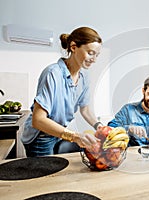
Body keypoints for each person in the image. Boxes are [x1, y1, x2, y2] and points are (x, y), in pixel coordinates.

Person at [21, 27, 103, 157]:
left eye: (97, 55)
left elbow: (85, 110)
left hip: (59, 133)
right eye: (90, 53)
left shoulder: (84, 76)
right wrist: (75, 136)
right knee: (46, 177)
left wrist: (99, 126)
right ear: (73, 47)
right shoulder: (52, 73)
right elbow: (38, 120)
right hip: (41, 136)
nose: (94, 59)